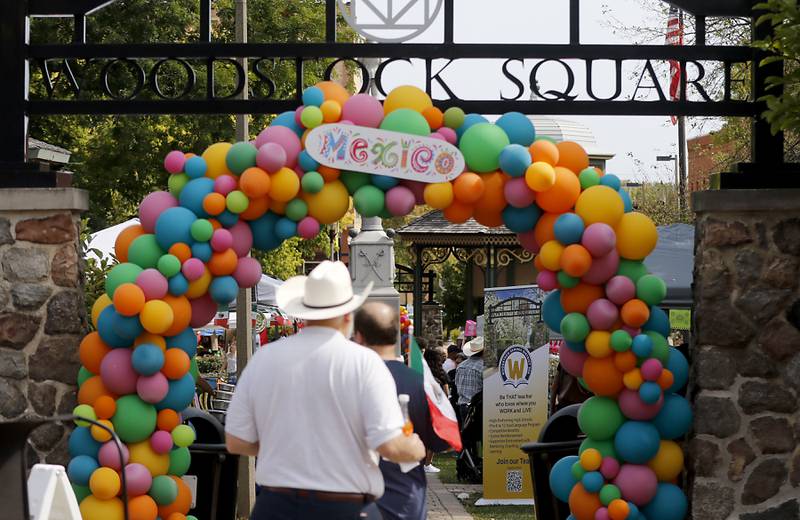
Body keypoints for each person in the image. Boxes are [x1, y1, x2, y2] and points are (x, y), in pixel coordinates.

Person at [225, 261, 426, 520]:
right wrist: (415, 448)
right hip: (345, 507)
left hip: (276, 505)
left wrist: (285, 447)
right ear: (347, 315)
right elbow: (389, 445)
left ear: (304, 312)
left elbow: (236, 440)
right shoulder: (363, 362)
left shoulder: (264, 359)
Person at [353, 302, 448, 520]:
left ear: (358, 336)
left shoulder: (345, 380)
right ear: (398, 336)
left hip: (355, 496)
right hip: (404, 497)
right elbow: (441, 441)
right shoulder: (420, 383)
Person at [455, 337, 484, 420]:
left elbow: (457, 384)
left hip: (462, 405)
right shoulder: (483, 367)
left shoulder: (461, 366)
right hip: (477, 407)